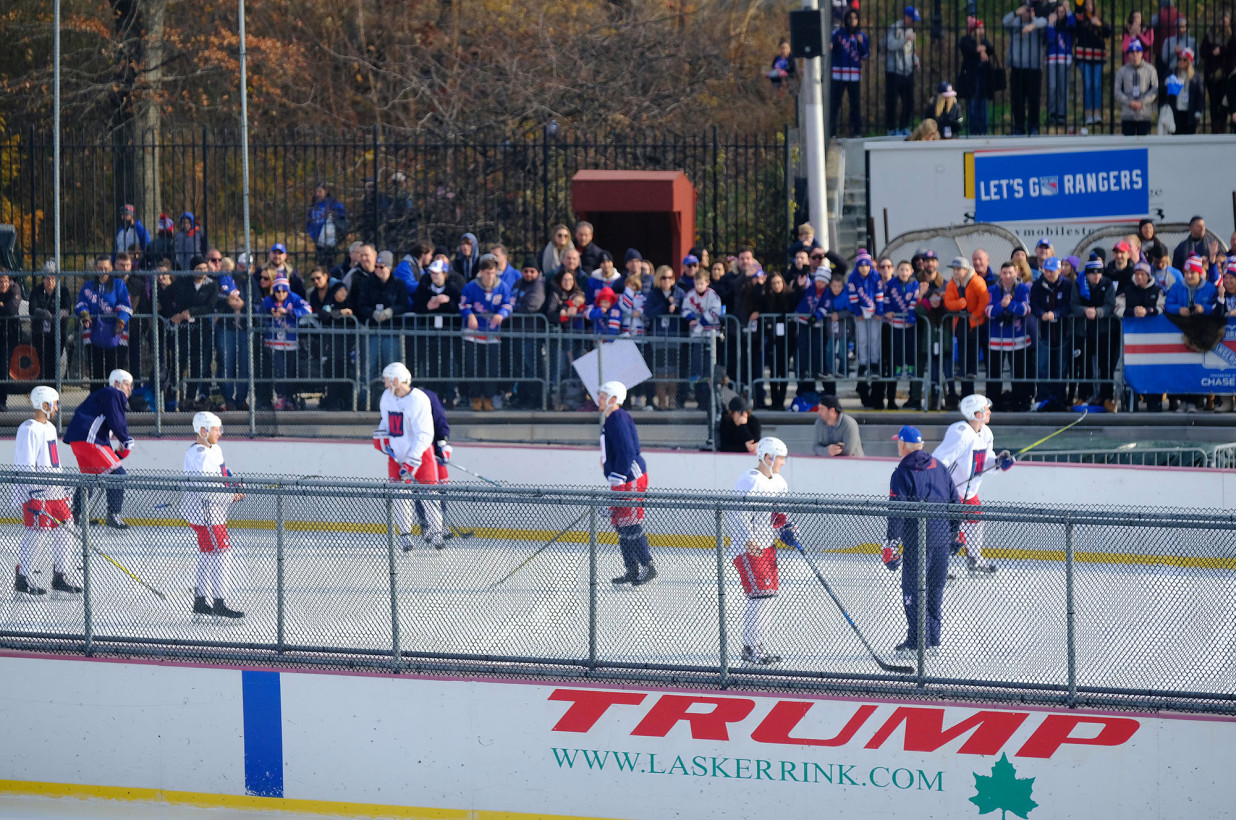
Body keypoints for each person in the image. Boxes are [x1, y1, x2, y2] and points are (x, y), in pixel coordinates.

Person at [881, 425, 958, 656]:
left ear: (904, 445)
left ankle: (917, 642)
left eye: (898, 443)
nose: (897, 446)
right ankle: (932, 640)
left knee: (912, 590)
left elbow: (897, 511)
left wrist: (891, 543)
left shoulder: (902, 472)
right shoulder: (940, 468)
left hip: (917, 542)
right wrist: (953, 534)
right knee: (935, 589)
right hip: (941, 540)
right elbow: (955, 502)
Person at [727, 436, 802, 665]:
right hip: (750, 549)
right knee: (759, 597)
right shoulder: (750, 481)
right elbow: (736, 514)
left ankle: (758, 645)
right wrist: (748, 540)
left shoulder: (779, 483)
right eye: (780, 458)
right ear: (768, 457)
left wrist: (785, 528)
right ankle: (750, 648)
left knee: (768, 597)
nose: (783, 462)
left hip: (767, 547)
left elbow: (777, 515)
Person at [932, 394, 1012, 575]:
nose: (989, 412)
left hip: (969, 492)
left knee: (975, 519)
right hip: (950, 492)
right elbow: (939, 461)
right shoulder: (960, 433)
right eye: (986, 409)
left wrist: (999, 461)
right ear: (976, 414)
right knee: (946, 533)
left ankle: (975, 559)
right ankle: (937, 567)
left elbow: (985, 462)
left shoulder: (986, 433)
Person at [13, 386, 81, 597]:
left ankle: (60, 575)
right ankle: (22, 577)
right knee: (37, 532)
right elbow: (25, 464)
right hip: (37, 493)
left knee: (66, 525)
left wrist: (62, 485)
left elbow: (53, 461)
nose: (58, 408)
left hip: (55, 492)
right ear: (44, 404)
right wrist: (35, 491)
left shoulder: (50, 428)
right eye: (55, 403)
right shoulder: (29, 429)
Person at [373, 362, 445, 552]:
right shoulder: (387, 398)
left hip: (420, 456)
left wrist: (413, 459)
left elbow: (425, 433)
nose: (386, 384)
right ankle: (405, 535)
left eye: (388, 380)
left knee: (430, 495)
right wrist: (381, 437)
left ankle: (436, 532)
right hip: (396, 456)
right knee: (400, 496)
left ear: (397, 379)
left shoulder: (418, 399)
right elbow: (385, 422)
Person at [181, 411, 245, 619]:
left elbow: (224, 472)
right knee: (222, 553)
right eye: (216, 429)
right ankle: (219, 601)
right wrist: (232, 497)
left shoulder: (214, 449)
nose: (220, 433)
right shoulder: (201, 455)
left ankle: (200, 600)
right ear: (203, 430)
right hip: (207, 514)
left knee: (207, 553)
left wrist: (235, 483)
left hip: (211, 513)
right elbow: (208, 491)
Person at [63, 369, 135, 530]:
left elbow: (105, 429)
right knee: (118, 475)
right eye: (127, 385)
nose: (130, 389)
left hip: (79, 440)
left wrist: (116, 453)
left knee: (89, 479)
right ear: (117, 384)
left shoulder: (103, 397)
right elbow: (117, 421)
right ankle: (113, 515)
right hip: (90, 440)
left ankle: (75, 514)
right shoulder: (113, 393)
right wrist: (126, 439)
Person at [600, 381, 655, 587]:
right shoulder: (612, 419)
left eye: (603, 396)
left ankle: (647, 565)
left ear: (613, 399)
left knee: (631, 522)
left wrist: (618, 477)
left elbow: (627, 450)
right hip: (621, 476)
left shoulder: (617, 417)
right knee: (621, 523)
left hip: (629, 477)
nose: (599, 400)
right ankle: (631, 568)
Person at [460, 257, 513, 411]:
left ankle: (489, 397)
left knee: (492, 369)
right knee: (473, 367)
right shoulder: (471, 287)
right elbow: (463, 304)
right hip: (473, 334)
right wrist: (469, 315)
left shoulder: (502, 287)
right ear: (481, 272)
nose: (490, 276)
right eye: (487, 273)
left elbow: (508, 304)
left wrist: (502, 314)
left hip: (493, 335)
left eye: (493, 273)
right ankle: (475, 397)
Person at [76, 256, 133, 392]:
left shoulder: (118, 285)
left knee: (115, 371)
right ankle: (96, 404)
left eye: (106, 268)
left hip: (116, 334)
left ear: (111, 268)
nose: (103, 271)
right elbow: (81, 303)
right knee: (96, 372)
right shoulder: (88, 286)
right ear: (96, 268)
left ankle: (114, 401)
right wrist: (84, 314)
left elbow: (125, 305)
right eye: (100, 268)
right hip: (93, 333)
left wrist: (121, 320)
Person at [1071, 255, 1120, 410]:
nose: (1096, 275)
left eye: (1099, 272)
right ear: (1087, 273)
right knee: (1084, 365)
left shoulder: (1107, 284)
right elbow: (1073, 305)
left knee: (1105, 365)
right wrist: (1085, 311)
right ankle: (1084, 395)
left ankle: (1107, 397)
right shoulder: (1078, 285)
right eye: (1093, 272)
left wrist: (1097, 312)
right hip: (1084, 332)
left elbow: (1110, 305)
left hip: (1104, 331)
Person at [1030, 257, 1077, 411]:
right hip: (1044, 333)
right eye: (1047, 271)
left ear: (1059, 270)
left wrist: (1055, 313)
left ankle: (1059, 398)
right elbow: (1034, 304)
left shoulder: (1067, 285)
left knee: (1060, 368)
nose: (1049, 274)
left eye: (1052, 271)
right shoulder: (1038, 285)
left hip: (1062, 333)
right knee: (1042, 367)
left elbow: (1068, 305)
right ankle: (1042, 398)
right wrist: (1042, 313)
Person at [986, 261, 1033, 412]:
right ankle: (994, 404)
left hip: (1018, 339)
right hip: (996, 339)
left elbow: (1026, 309)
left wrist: (1010, 305)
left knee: (1019, 373)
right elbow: (988, 311)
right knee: (994, 374)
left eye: (1010, 273)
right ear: (1000, 274)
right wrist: (1002, 305)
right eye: (1004, 273)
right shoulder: (993, 289)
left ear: (1016, 273)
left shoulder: (1022, 288)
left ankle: (1019, 402)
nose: (1007, 276)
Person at [943, 256, 988, 409]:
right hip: (961, 320)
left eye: (958, 269)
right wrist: (960, 304)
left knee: (973, 345)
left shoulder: (976, 281)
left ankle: (972, 369)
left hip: (976, 320)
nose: (955, 272)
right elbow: (948, 302)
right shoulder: (952, 283)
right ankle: (963, 371)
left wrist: (976, 314)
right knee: (962, 345)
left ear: (966, 270)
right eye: (954, 269)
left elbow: (984, 299)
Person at [1004, 2, 1047, 135]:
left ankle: (1033, 126)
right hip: (1017, 68)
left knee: (1033, 99)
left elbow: (1044, 22)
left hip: (1033, 68)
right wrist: (1016, 13)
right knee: (1017, 99)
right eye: (1024, 11)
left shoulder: (1037, 24)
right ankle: (1019, 126)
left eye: (1028, 11)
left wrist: (1032, 23)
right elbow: (1004, 21)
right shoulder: (1014, 24)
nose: (1025, 13)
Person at [830, 9, 870, 137]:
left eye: (855, 18)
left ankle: (857, 131)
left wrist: (860, 43)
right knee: (835, 104)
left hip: (854, 75)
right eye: (850, 18)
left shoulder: (862, 36)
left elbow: (865, 55)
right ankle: (832, 132)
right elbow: (831, 48)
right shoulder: (837, 34)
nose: (852, 21)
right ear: (845, 20)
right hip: (838, 74)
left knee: (855, 104)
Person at [1075, 0, 1113, 126]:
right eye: (1086, 4)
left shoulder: (1099, 18)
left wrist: (1100, 24)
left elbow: (1109, 32)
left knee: (1096, 85)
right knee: (1088, 85)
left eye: (1090, 4)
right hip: (1084, 56)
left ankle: (1096, 114)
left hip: (1097, 57)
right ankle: (1088, 115)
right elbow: (1078, 9)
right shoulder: (1080, 18)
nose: (1088, 6)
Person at [957, 18, 997, 135]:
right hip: (972, 78)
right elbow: (968, 48)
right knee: (973, 105)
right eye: (980, 28)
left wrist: (982, 49)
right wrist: (979, 50)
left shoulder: (984, 41)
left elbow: (990, 49)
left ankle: (983, 129)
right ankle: (973, 129)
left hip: (983, 79)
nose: (982, 30)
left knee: (983, 105)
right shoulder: (966, 40)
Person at [885, 6, 921, 136]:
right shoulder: (895, 28)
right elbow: (890, 45)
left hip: (907, 70)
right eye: (913, 19)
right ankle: (891, 128)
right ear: (907, 17)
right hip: (894, 70)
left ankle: (904, 126)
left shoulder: (911, 30)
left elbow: (911, 50)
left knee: (909, 101)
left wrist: (916, 60)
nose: (914, 22)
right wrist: (905, 39)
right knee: (892, 101)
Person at [1115, 41, 1158, 135]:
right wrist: (1129, 102)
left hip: (1144, 114)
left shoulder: (1150, 70)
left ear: (1141, 53)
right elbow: (1117, 91)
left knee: (1144, 143)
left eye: (1137, 52)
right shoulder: (1122, 71)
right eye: (1132, 52)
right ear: (1128, 55)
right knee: (1128, 145)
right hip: (1128, 114)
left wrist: (1142, 102)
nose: (1135, 55)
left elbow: (1154, 89)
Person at [1201, 13, 1234, 134]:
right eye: (1222, 22)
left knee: (1224, 102)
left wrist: (1221, 50)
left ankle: (1223, 126)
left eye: (1226, 23)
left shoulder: (1231, 36)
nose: (1223, 25)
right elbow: (1203, 52)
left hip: (1226, 74)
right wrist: (1212, 52)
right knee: (1214, 102)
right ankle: (1215, 128)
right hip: (1211, 74)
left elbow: (1233, 51)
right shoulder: (1210, 35)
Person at [1044, 2, 1075, 127]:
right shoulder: (1050, 24)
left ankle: (1062, 115)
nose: (1060, 14)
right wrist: (1051, 23)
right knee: (1052, 87)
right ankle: (1052, 114)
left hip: (1065, 59)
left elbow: (1074, 26)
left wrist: (1068, 10)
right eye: (1058, 11)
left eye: (1062, 12)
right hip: (1051, 59)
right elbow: (1050, 39)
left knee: (1063, 88)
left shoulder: (1068, 24)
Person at [305, 183, 350, 266]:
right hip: (318, 238)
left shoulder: (332, 202)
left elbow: (343, 212)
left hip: (330, 237)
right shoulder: (313, 205)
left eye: (320, 191)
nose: (317, 194)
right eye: (316, 192)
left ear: (326, 192)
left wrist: (334, 215)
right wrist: (310, 232)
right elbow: (308, 220)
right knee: (320, 262)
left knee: (330, 262)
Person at [1164, 48, 1204, 135]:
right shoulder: (1173, 72)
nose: (1181, 61)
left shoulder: (1195, 76)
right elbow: (1164, 91)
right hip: (1176, 111)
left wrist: (1198, 111)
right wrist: (1167, 82)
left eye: (1184, 59)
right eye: (1179, 59)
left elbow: (1200, 96)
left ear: (1189, 61)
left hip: (1189, 112)